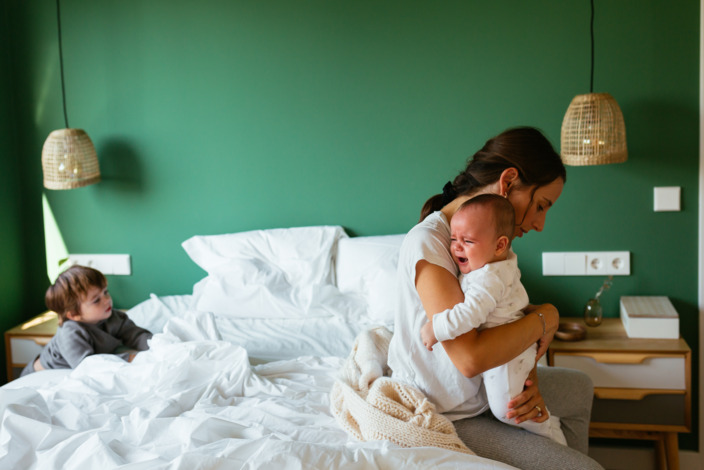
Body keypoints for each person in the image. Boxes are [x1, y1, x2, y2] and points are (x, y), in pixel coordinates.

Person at [387, 126, 603, 470]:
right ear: (509, 181)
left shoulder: (490, 239)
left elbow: (506, 312)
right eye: (541, 205)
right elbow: (470, 357)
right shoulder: (430, 243)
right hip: (451, 410)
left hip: (484, 390)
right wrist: (547, 317)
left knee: (580, 388)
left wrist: (529, 370)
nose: (540, 223)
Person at [419, 193, 566, 446]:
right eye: (453, 239)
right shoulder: (499, 263)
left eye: (467, 241)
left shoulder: (488, 278)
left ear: (499, 245)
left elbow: (469, 315)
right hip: (513, 343)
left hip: (507, 354)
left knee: (506, 409)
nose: (456, 247)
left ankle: (549, 429)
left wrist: (437, 328)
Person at [20, 265, 153, 376]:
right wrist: (129, 358)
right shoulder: (71, 333)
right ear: (74, 314)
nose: (107, 300)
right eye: (96, 300)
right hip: (43, 374)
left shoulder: (113, 316)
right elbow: (88, 365)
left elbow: (135, 335)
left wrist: (157, 345)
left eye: (105, 292)